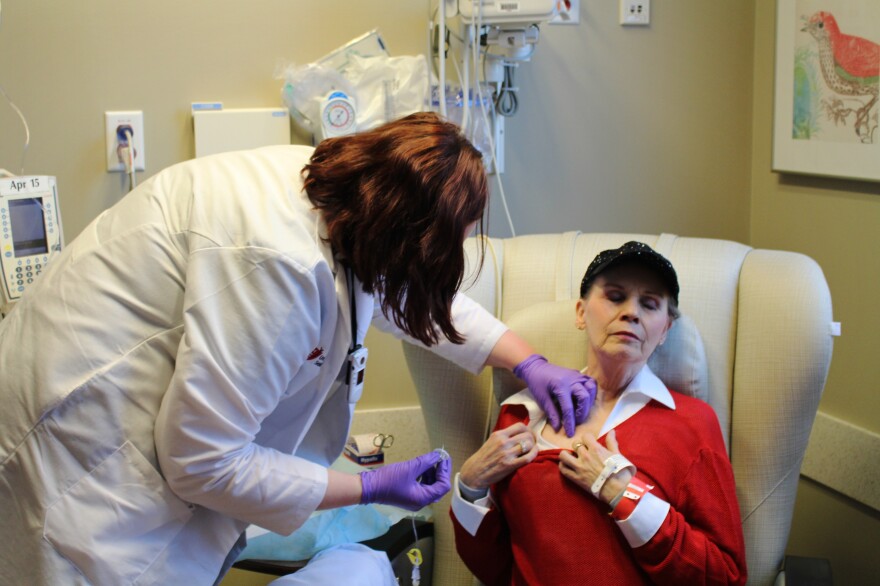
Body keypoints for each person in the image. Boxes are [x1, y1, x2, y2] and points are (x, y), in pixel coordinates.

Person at [0, 112, 594, 585]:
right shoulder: (275, 259)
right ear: (400, 236)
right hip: (79, 456)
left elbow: (405, 292)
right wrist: (373, 486)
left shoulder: (346, 195)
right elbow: (203, 461)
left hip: (124, 431)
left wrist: (525, 359)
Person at [450, 241, 748, 585]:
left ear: (665, 329)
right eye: (616, 297)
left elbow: (725, 576)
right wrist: (470, 487)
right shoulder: (521, 414)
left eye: (649, 304)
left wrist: (625, 495)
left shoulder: (693, 423)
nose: (632, 312)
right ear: (581, 312)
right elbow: (496, 569)